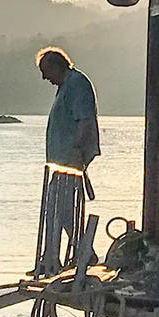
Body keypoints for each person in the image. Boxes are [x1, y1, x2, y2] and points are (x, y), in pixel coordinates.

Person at [34, 46, 100, 273]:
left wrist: (77, 152)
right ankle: (80, 253)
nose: (44, 77)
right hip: (61, 163)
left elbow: (85, 122)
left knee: (56, 210)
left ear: (56, 66)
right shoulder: (65, 86)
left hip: (70, 163)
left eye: (46, 71)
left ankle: (52, 260)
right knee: (59, 211)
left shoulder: (76, 84)